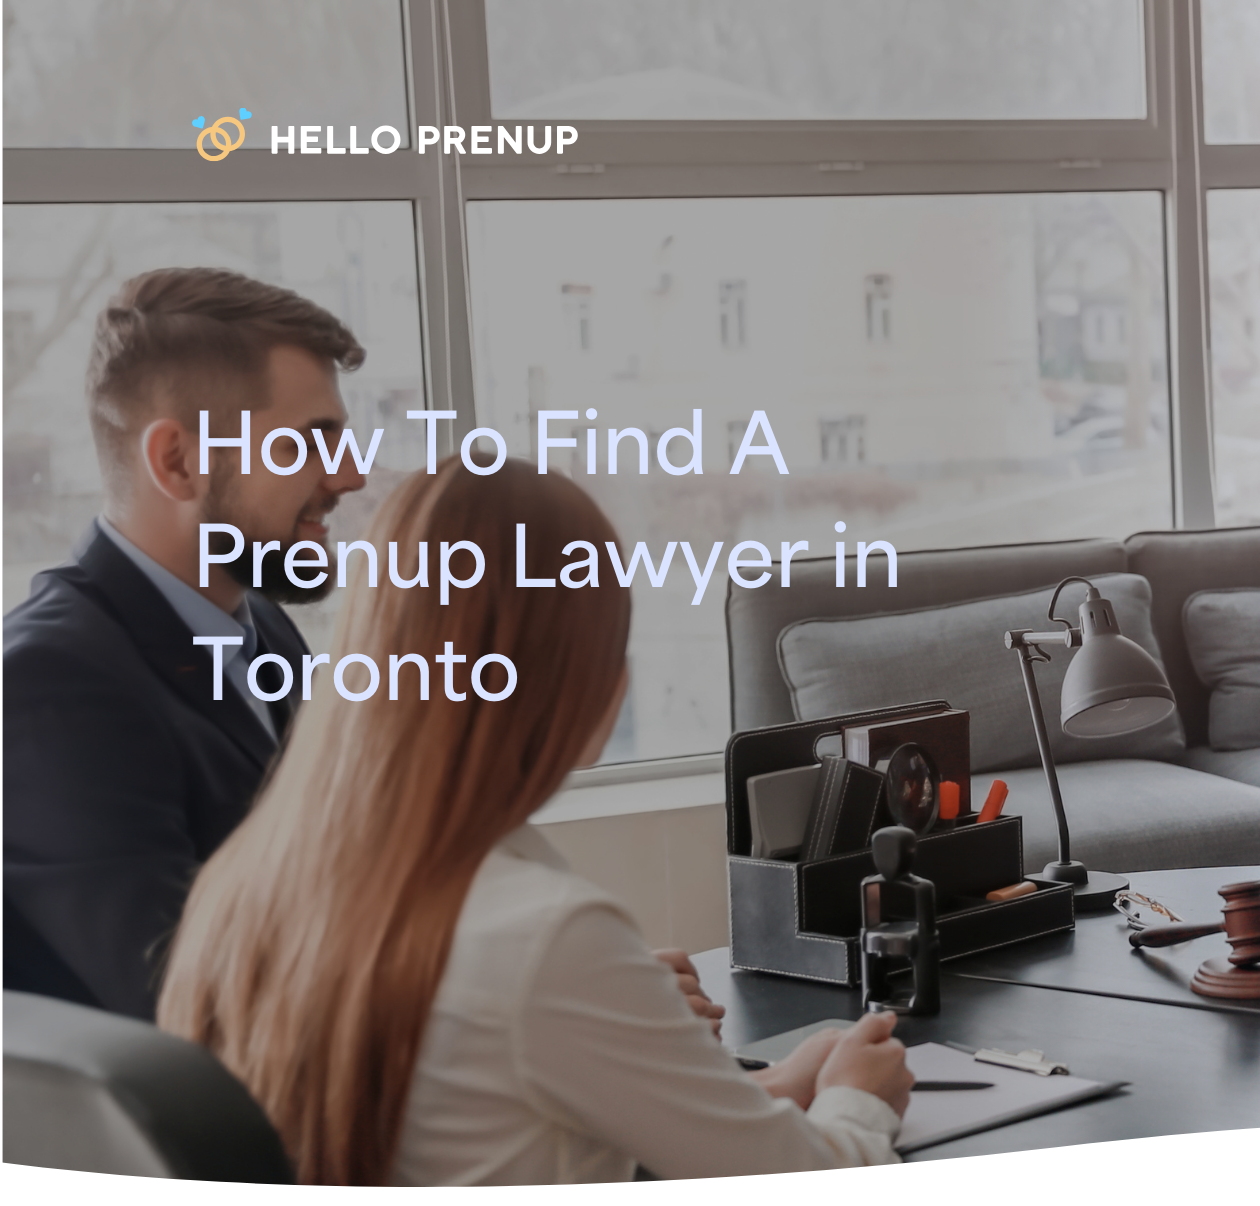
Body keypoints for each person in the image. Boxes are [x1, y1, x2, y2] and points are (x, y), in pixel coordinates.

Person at [157, 460, 913, 1184]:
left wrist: (720, 1066)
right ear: (581, 681)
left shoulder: (241, 883)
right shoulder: (545, 937)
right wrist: (858, 1097)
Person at [4, 268, 371, 1017]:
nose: (350, 474)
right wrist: (503, 1020)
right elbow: (194, 1002)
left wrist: (565, 995)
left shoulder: (260, 624)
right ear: (176, 461)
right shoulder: (48, 686)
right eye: (312, 441)